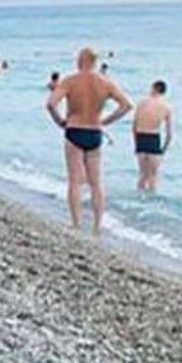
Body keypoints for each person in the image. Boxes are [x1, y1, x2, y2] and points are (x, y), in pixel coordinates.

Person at [45, 45, 135, 232]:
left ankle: (76, 223)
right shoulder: (105, 83)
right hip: (95, 132)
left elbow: (51, 104)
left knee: (74, 181)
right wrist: (105, 121)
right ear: (95, 62)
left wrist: (60, 121)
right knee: (96, 183)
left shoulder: (70, 81)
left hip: (74, 130)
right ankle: (97, 226)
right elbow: (126, 105)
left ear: (81, 60)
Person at [132, 80, 174, 192]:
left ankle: (139, 198)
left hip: (141, 138)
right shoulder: (166, 107)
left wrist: (136, 144)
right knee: (153, 176)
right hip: (154, 139)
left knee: (142, 174)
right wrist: (163, 150)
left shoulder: (141, 103)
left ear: (155, 88)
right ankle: (151, 203)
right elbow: (169, 134)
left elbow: (134, 127)